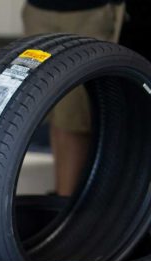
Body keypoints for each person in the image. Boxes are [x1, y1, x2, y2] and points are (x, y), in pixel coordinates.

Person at [22, 0, 124, 196]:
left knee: (74, 115)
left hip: (88, 12)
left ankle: (66, 205)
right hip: (38, 9)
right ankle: (62, 196)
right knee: (54, 108)